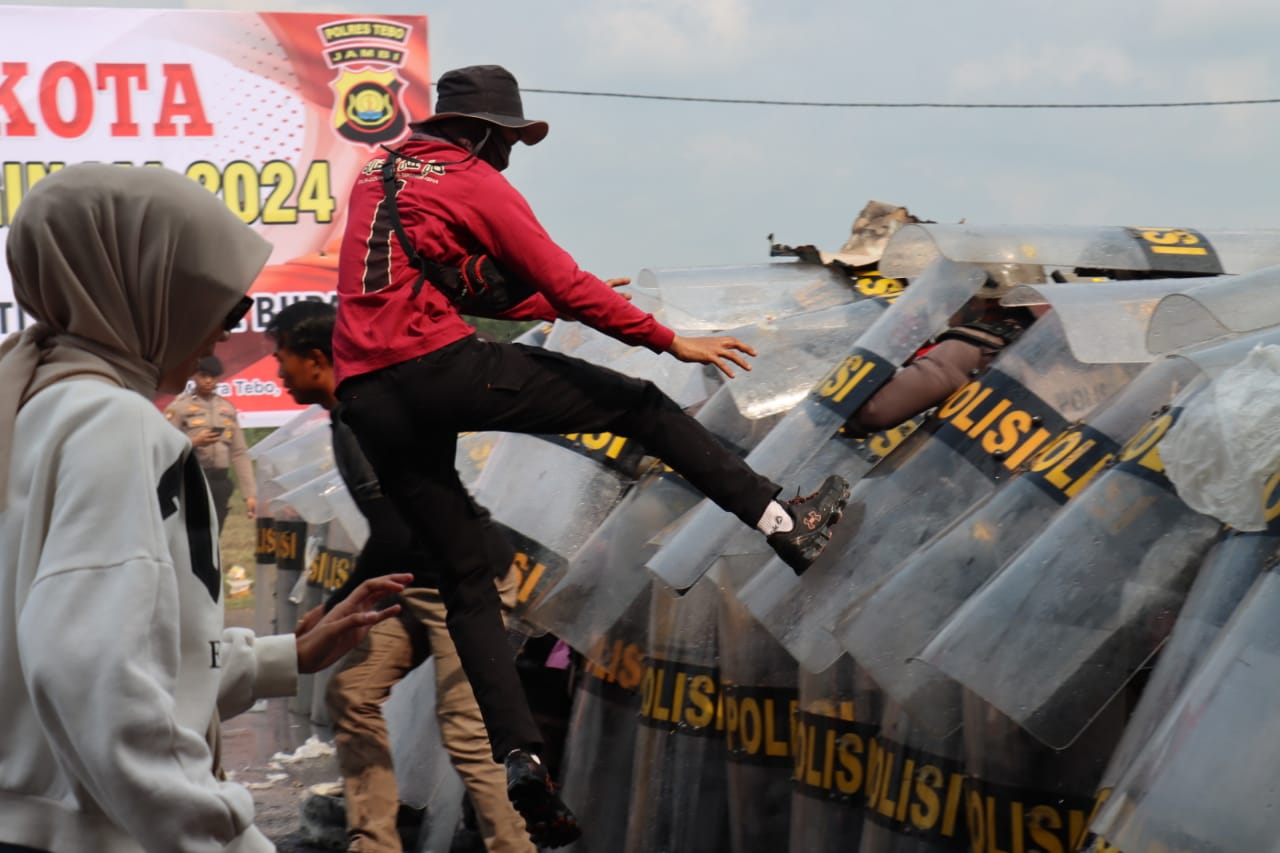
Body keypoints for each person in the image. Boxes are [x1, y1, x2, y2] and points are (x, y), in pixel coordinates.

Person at [332, 64, 851, 845]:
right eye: (509, 139)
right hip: (437, 368)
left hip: (368, 394)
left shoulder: (380, 173)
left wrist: (552, 296)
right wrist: (670, 339)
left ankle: (521, 758)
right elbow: (561, 280)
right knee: (638, 403)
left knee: (465, 584)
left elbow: (462, 285)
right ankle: (784, 520)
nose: (512, 155)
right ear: (479, 133)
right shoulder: (473, 179)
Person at [0, 162, 412, 853]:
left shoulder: (28, 403)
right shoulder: (112, 422)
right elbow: (96, 674)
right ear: (143, 290)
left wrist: (281, 656)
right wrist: (216, 836)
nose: (221, 336)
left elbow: (102, 642)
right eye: (214, 305)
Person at [268, 301, 535, 853]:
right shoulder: (350, 413)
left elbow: (392, 532)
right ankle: (374, 844)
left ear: (316, 359)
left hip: (466, 582)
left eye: (281, 359)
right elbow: (400, 535)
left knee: (468, 732)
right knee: (353, 692)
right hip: (418, 578)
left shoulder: (364, 415)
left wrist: (340, 604)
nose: (277, 373)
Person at [165, 354, 258, 531]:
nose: (208, 381)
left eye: (212, 377)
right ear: (195, 376)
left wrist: (249, 494)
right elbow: (166, 445)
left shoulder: (227, 409)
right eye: (203, 376)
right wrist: (193, 442)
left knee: (215, 531)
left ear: (218, 378)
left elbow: (239, 453)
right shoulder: (179, 407)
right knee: (193, 533)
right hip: (192, 479)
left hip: (220, 481)